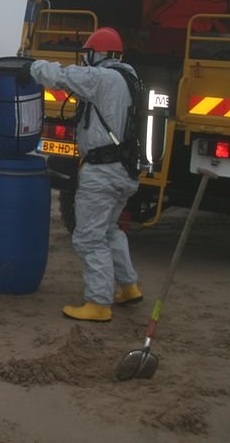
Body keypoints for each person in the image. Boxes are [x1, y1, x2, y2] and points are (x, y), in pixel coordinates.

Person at [21, 27, 143, 322]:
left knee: (88, 238)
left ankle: (98, 303)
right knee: (110, 230)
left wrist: (32, 66)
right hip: (124, 170)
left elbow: (64, 77)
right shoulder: (130, 79)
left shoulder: (103, 78)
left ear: (98, 54)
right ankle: (129, 287)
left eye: (88, 55)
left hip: (102, 172)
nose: (86, 60)